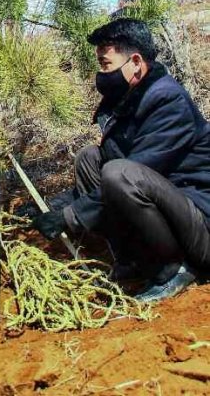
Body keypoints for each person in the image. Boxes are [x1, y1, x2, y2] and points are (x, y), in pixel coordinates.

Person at [31, 18, 210, 302]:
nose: (101, 74)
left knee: (118, 173)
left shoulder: (167, 100)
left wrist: (69, 217)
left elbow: (134, 173)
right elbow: (105, 177)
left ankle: (172, 269)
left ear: (136, 62)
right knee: (90, 159)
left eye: (106, 65)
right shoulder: (128, 97)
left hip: (200, 224)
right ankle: (133, 260)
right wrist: (52, 207)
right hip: (170, 211)